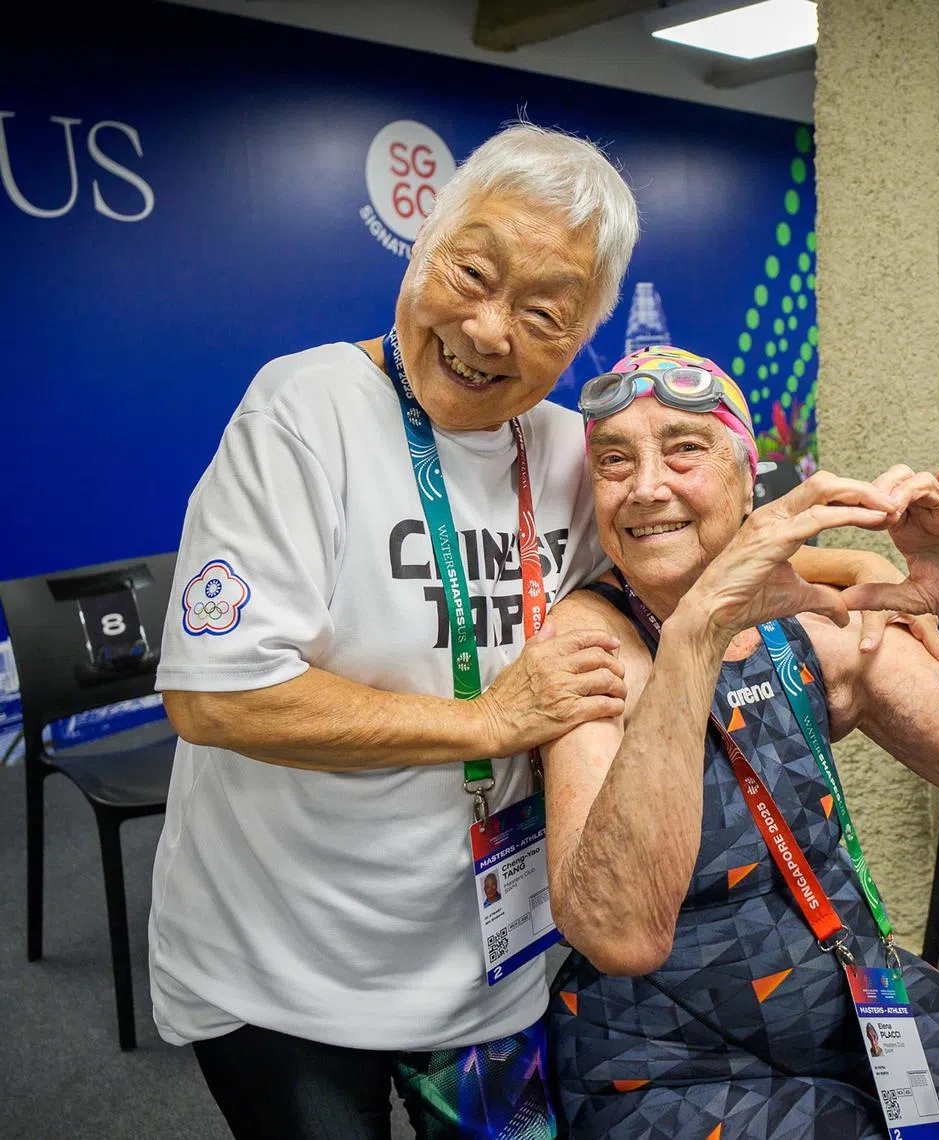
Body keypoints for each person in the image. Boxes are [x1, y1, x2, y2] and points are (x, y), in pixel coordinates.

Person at [149, 122, 642, 1140]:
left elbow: (675, 564)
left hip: (490, 969)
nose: (490, 329)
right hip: (285, 970)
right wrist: (489, 721)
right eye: (472, 272)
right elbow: (213, 694)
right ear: (423, 243)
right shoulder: (306, 410)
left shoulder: (566, 450)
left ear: (585, 334)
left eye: (543, 312)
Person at [543, 346, 939, 1138]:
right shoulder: (589, 646)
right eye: (615, 460)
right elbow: (620, 932)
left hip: (858, 992)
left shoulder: (809, 626)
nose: (647, 485)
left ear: (747, 478)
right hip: (668, 1063)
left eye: (685, 447)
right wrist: (700, 630)